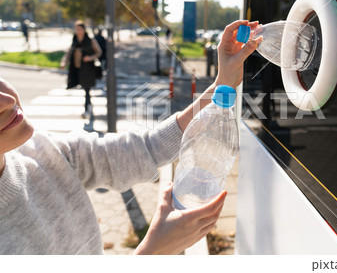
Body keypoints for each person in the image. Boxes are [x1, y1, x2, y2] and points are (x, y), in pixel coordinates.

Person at [0, 20, 261, 254]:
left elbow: (146, 148)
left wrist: (221, 84)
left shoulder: (42, 152)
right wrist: (153, 252)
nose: (7, 99)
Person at [60, 21, 102, 119]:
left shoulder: (90, 40)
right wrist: (64, 63)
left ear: (84, 30)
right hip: (77, 68)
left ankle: (86, 109)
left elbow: (99, 52)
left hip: (88, 69)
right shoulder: (74, 40)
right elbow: (69, 52)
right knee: (84, 88)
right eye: (76, 29)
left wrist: (90, 58)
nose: (78, 31)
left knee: (87, 89)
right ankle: (89, 105)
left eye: (79, 29)